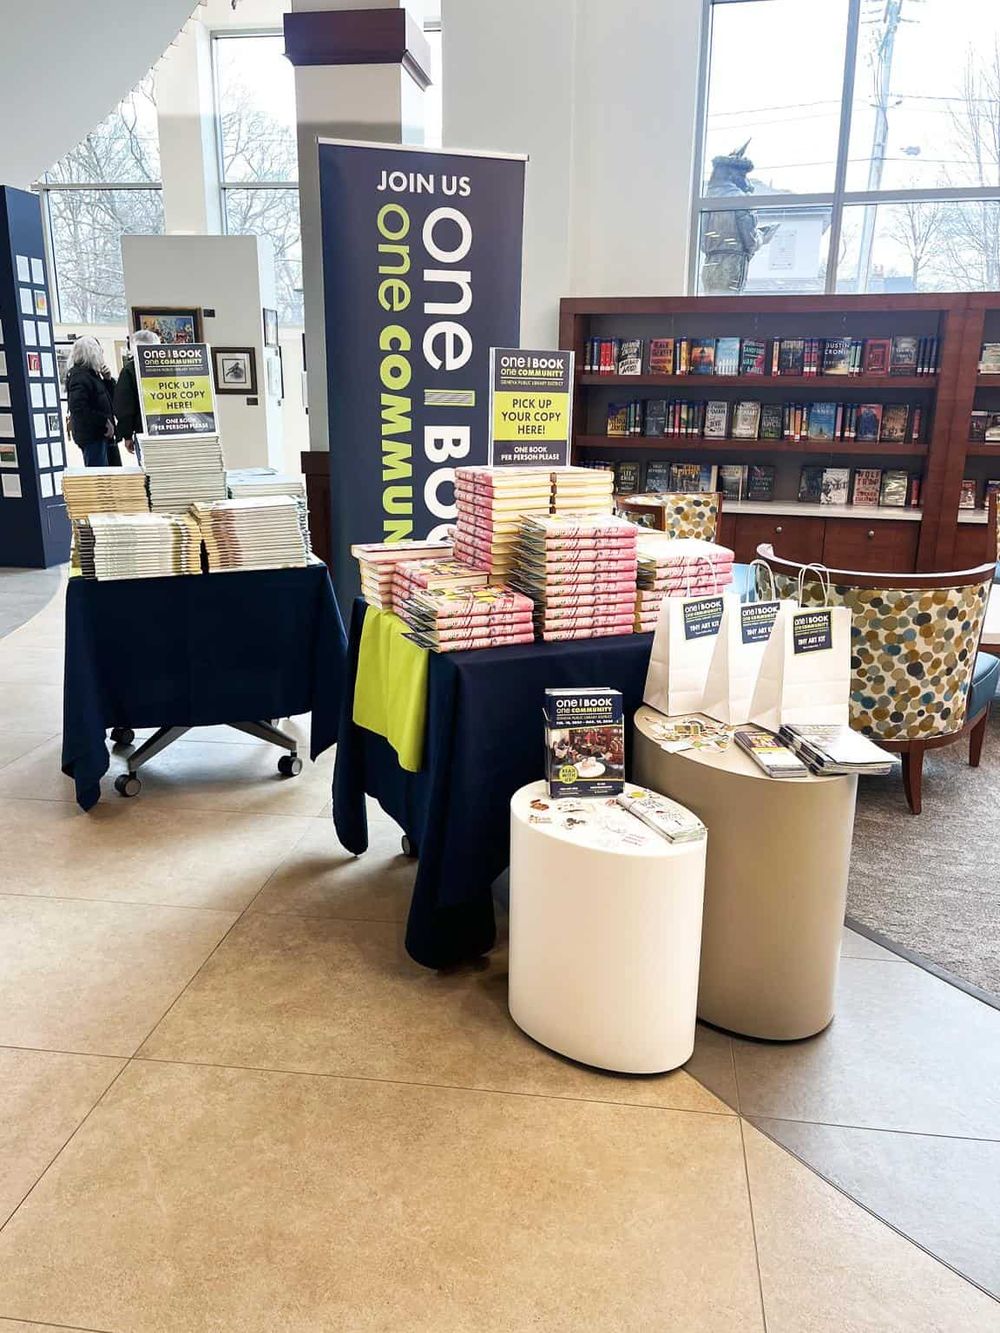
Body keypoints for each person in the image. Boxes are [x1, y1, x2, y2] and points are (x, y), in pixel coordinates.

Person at [66, 337, 117, 467]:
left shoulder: (92, 374)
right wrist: (104, 421)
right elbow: (79, 408)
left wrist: (108, 380)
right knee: (100, 477)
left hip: (101, 434)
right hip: (93, 435)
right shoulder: (80, 376)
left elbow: (110, 399)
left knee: (109, 474)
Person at [114, 328, 160, 454]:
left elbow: (124, 405)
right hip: (168, 425)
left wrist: (127, 435)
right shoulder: (166, 367)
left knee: (146, 468)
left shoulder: (130, 370)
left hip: (142, 428)